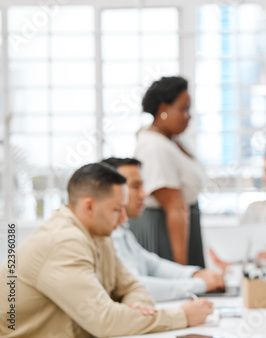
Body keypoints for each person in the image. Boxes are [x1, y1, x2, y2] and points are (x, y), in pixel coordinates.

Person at [0, 163, 212, 337]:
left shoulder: (99, 235)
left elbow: (131, 287)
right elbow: (104, 321)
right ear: (89, 206)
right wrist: (182, 316)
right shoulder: (63, 243)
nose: (124, 218)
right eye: (116, 210)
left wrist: (136, 307)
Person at [102, 157, 225, 302]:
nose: (144, 194)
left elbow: (152, 264)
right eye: (135, 186)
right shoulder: (106, 237)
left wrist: (194, 274)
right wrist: (199, 284)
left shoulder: (122, 231)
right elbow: (134, 285)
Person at [130, 76, 206, 267]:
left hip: (180, 227)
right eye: (183, 109)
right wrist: (183, 270)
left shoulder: (170, 139)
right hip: (166, 233)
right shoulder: (155, 146)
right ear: (163, 110)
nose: (189, 115)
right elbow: (174, 207)